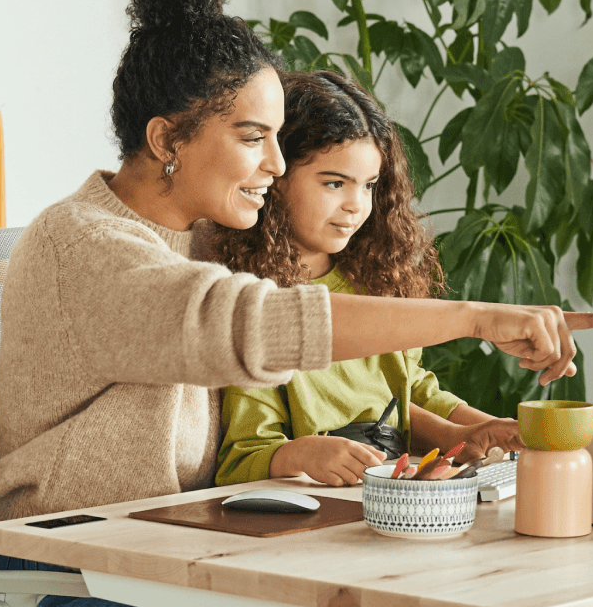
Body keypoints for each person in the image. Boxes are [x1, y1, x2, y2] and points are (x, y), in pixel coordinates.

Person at [0, 0, 593, 607]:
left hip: (178, 559)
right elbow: (248, 325)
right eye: (253, 138)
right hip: (73, 590)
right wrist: (477, 316)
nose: (275, 165)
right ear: (166, 139)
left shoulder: (200, 238)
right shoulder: (87, 246)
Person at [209, 70, 526, 488]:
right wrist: (302, 453)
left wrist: (474, 429)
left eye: (369, 186)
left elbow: (408, 390)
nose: (356, 206)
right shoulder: (259, 306)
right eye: (335, 183)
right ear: (278, 178)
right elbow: (241, 459)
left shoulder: (373, 282)